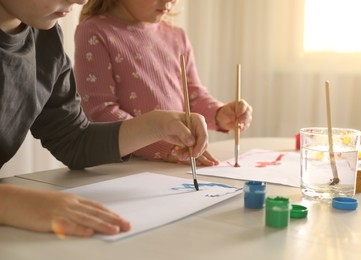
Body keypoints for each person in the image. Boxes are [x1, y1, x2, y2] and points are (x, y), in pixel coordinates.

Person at [0, 0, 208, 238]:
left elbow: (73, 140)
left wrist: (155, 126)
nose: (81, 0)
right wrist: (10, 203)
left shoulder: (45, 38)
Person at [74, 0, 253, 166]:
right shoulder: (95, 32)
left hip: (173, 166)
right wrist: (166, 146)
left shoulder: (176, 36)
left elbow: (193, 96)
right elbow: (100, 112)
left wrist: (220, 114)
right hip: (124, 167)